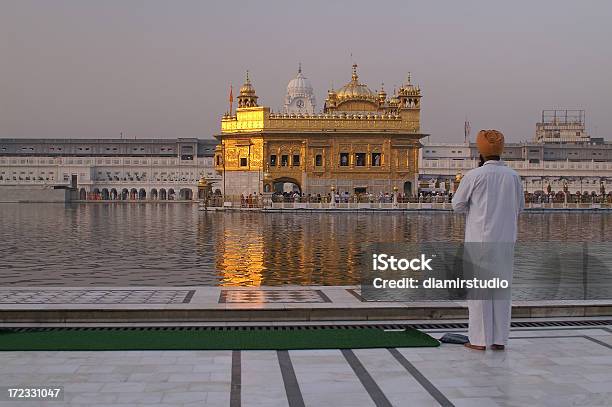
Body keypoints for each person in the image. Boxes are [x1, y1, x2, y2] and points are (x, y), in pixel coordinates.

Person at [451, 129, 524, 351]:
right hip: (505, 242)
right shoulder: (513, 176)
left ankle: (480, 340)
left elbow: (457, 205)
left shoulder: (474, 176)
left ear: (481, 155)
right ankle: (500, 339)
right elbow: (519, 207)